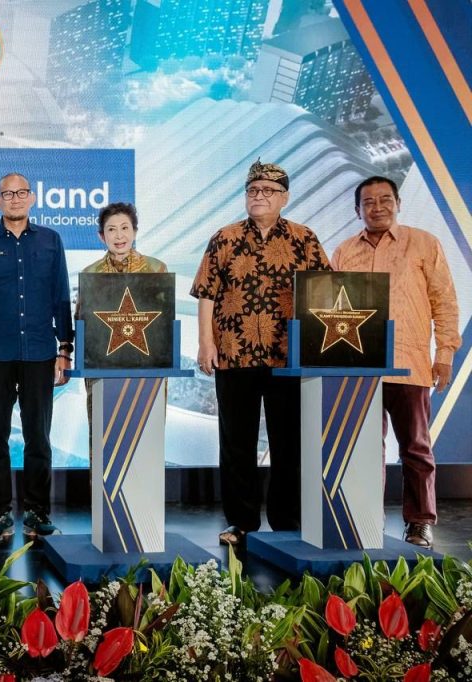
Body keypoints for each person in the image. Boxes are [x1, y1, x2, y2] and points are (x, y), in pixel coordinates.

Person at [190, 159, 330, 547]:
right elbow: (206, 294)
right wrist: (206, 343)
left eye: (268, 190)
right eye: (253, 190)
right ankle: (241, 522)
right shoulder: (225, 237)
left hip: (289, 357)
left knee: (290, 442)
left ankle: (287, 521)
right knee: (237, 442)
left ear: (285, 197)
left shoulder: (305, 238)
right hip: (234, 354)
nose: (259, 196)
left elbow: (324, 292)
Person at [330, 176, 461, 549]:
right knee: (365, 451)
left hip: (410, 362)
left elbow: (444, 301)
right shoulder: (343, 252)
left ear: (399, 203)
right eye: (368, 202)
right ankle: (365, 521)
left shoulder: (423, 244)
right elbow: (328, 310)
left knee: (416, 447)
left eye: (385, 199)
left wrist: (445, 354)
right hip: (359, 368)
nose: (377, 207)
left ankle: (420, 522)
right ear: (357, 210)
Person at [0, 172, 74, 541]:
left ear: (32, 197)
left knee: (38, 436)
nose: (14, 198)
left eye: (21, 192)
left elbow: (61, 296)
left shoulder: (51, 241)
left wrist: (65, 348)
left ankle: (38, 512)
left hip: (40, 351)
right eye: (7, 194)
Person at [79, 202, 167, 454]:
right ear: (101, 236)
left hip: (148, 368)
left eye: (125, 228)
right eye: (111, 229)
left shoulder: (156, 269)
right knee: (104, 442)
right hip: (101, 369)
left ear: (135, 231)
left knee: (145, 443)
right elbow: (81, 321)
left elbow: (164, 321)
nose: (119, 236)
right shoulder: (90, 273)